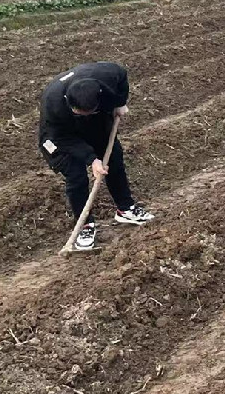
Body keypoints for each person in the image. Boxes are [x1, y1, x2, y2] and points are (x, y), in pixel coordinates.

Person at [38, 62, 154, 252]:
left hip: (94, 124)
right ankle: (85, 226)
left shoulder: (106, 76)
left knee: (114, 158)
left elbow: (122, 74)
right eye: (78, 112)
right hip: (60, 137)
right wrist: (92, 159)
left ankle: (125, 209)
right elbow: (62, 138)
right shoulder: (54, 103)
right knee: (76, 176)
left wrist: (120, 103)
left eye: (88, 111)